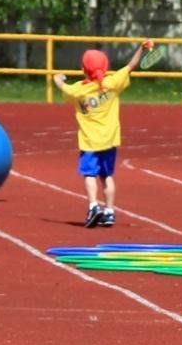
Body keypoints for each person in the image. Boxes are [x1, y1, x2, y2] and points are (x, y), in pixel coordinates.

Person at [54, 41, 148, 228]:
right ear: (105, 67)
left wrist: (59, 79)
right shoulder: (112, 83)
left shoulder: (78, 91)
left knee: (89, 174)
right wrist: (142, 49)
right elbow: (130, 66)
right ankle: (110, 212)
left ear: (83, 69)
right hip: (110, 140)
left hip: (90, 142)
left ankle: (93, 205)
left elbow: (63, 87)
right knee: (107, 176)